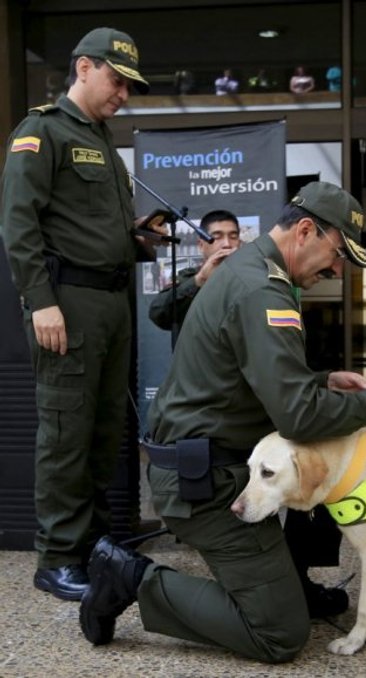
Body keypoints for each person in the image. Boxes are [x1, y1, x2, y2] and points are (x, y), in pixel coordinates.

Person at [78, 181, 366, 663]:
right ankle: (129, 578)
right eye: (337, 255)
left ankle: (291, 580)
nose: (337, 269)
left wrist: (322, 379)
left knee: (321, 468)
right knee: (279, 634)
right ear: (306, 230)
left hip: (211, 460)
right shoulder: (262, 291)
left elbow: (253, 380)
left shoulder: (254, 271)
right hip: (204, 484)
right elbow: (299, 415)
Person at [0, 27, 162, 602]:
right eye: (118, 81)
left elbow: (96, 226)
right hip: (65, 302)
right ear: (85, 68)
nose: (123, 94)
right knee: (67, 431)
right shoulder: (41, 132)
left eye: (129, 86)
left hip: (112, 303)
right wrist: (40, 300)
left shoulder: (103, 140)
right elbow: (19, 223)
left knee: (103, 432)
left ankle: (93, 544)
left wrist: (136, 237)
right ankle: (58, 557)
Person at [148, 209, 240, 333]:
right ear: (201, 245)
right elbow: (158, 315)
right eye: (217, 237)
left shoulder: (253, 276)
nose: (227, 244)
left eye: (233, 237)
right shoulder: (189, 277)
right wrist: (200, 279)